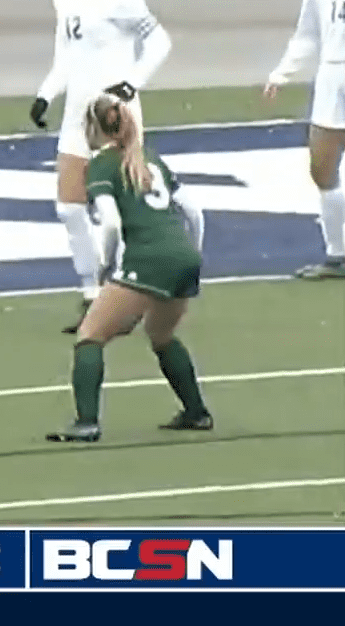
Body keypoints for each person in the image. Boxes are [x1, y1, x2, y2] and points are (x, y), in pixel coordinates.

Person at [28, 0, 173, 333]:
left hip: (114, 116)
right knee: (69, 207)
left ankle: (131, 292)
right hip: (77, 115)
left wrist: (131, 84)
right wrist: (45, 94)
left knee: (119, 216)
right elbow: (65, 57)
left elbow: (160, 43)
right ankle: (92, 295)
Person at [47, 93, 213, 443]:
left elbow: (109, 224)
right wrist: (191, 254)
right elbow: (195, 212)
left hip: (147, 259)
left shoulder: (103, 165)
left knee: (90, 335)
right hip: (184, 256)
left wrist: (106, 268)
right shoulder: (151, 159)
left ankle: (87, 422)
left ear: (94, 129)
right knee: (161, 334)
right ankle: (196, 412)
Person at [264, 0, 345, 280]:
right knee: (322, 167)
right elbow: (307, 35)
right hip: (331, 80)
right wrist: (282, 72)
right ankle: (337, 256)